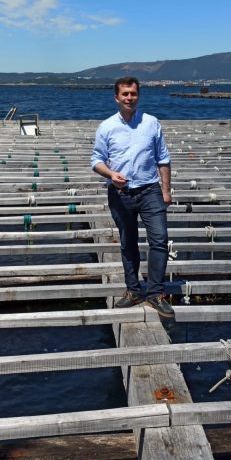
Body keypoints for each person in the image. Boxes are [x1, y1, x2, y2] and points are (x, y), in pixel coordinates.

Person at [90, 77, 174, 318]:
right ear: (117, 97)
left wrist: (166, 190)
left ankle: (156, 293)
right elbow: (96, 160)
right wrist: (110, 174)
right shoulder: (106, 127)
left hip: (150, 190)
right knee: (128, 242)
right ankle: (133, 290)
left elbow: (163, 158)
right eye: (125, 94)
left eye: (133, 94)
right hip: (120, 193)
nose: (129, 98)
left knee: (159, 240)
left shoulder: (151, 123)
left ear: (138, 96)